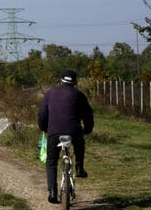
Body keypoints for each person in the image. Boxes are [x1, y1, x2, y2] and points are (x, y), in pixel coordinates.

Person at [38, 69, 94, 204]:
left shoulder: (50, 93)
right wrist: (87, 130)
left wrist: (44, 129)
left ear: (60, 79)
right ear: (75, 82)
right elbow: (88, 115)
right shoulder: (79, 95)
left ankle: (52, 191)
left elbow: (42, 114)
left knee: (51, 161)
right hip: (74, 131)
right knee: (80, 144)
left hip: (54, 131)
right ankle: (79, 168)